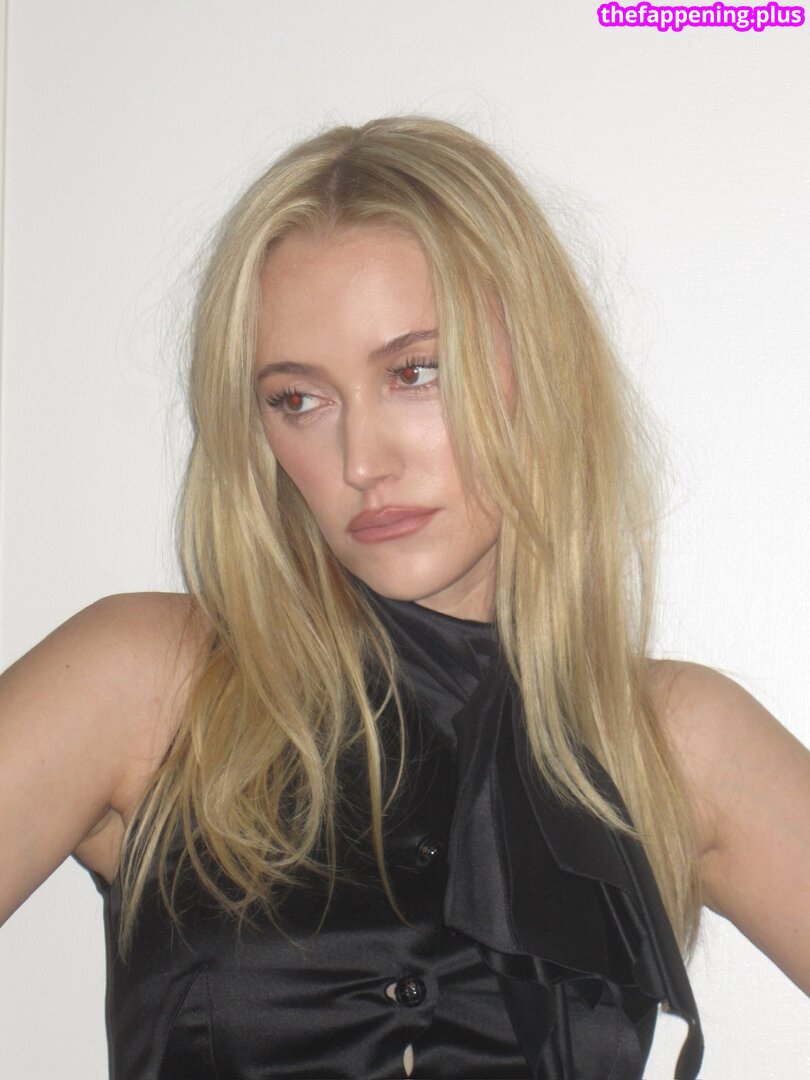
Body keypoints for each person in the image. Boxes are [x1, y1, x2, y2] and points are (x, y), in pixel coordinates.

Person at [1, 116, 808, 1079]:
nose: (361, 461)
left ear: (538, 368)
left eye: (415, 372)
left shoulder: (673, 741)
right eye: (298, 399)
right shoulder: (147, 683)